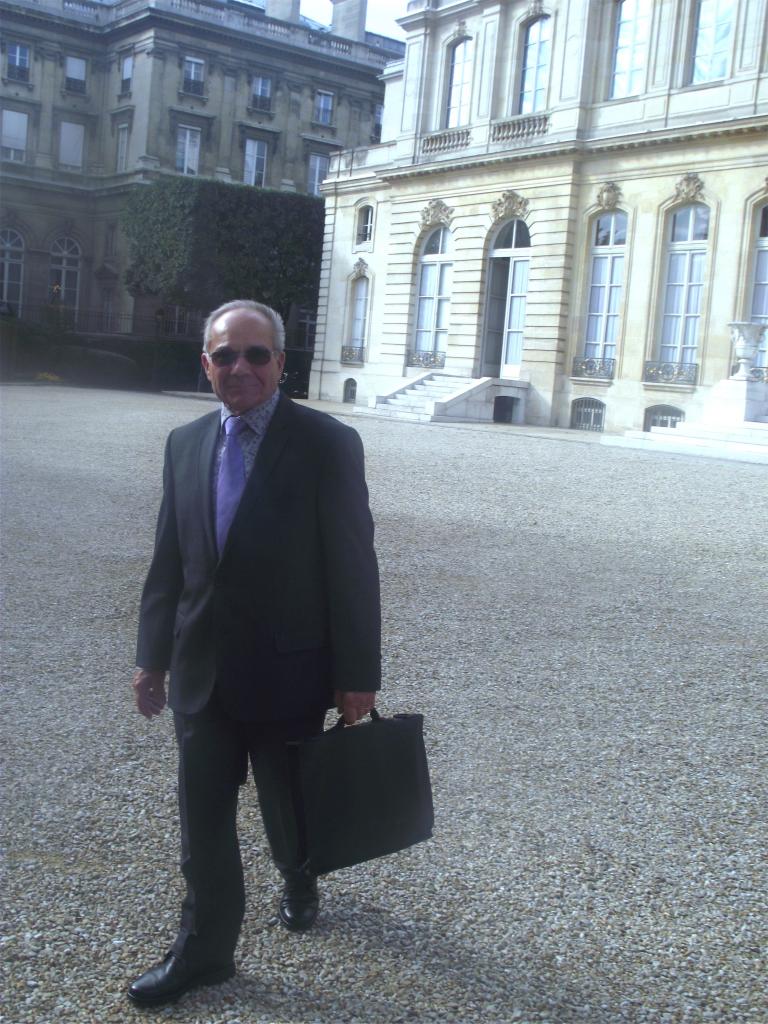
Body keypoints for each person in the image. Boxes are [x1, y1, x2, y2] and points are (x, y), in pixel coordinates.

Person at [127, 299, 381, 1007]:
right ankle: (205, 953)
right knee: (201, 820)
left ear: (280, 362)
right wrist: (152, 657)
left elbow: (353, 563)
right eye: (225, 354)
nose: (240, 367)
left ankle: (299, 876)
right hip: (202, 671)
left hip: (291, 668)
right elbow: (168, 561)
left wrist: (357, 676)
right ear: (205, 363)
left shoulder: (326, 442)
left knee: (287, 803)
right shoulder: (184, 443)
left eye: (255, 354)